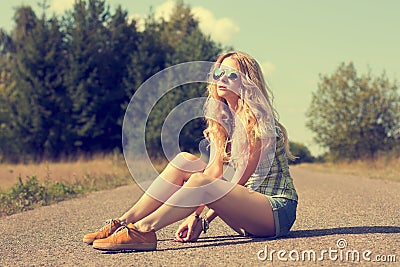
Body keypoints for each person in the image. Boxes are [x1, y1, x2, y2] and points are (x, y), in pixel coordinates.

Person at [83, 51, 298, 251]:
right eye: (218, 73)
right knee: (184, 161)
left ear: (247, 82)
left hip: (274, 212)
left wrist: (201, 216)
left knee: (199, 181)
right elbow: (215, 173)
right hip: (244, 215)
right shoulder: (222, 122)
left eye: (231, 74)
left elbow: (238, 181)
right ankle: (124, 221)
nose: (222, 78)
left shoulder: (260, 123)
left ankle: (144, 230)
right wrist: (196, 216)